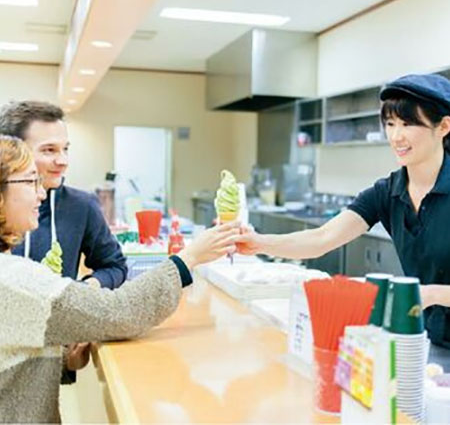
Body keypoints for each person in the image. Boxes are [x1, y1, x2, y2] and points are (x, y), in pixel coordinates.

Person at [0, 135, 239, 423]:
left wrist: (64, 359)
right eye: (30, 182)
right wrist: (187, 259)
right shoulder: (12, 279)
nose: (41, 194)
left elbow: (12, 355)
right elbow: (122, 311)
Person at [237, 73, 450, 348]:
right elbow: (321, 238)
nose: (396, 136)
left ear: (444, 126)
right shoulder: (388, 192)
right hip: (429, 338)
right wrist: (259, 243)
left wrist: (431, 293)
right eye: (390, 123)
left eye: (408, 124)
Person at [0, 100, 126, 289]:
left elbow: (114, 266)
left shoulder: (82, 205)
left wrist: (81, 291)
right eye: (49, 150)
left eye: (65, 149)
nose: (63, 161)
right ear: (13, 149)